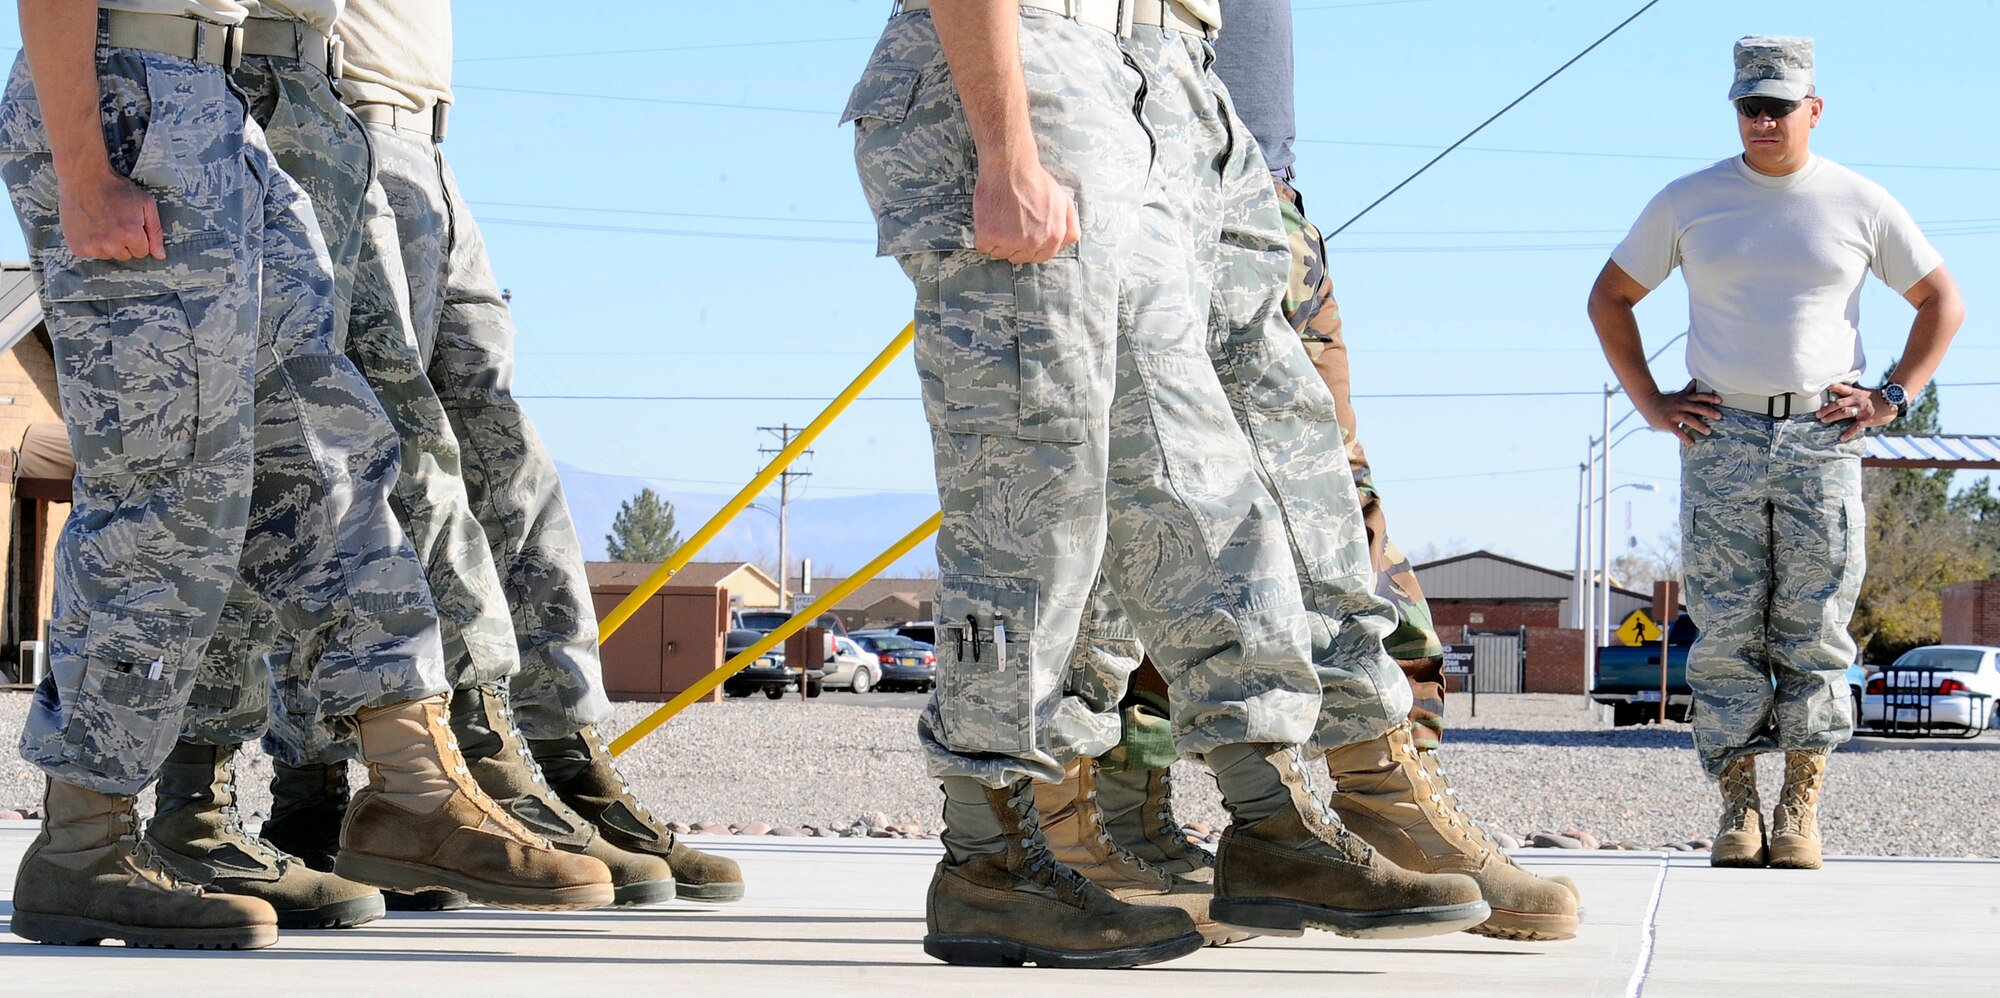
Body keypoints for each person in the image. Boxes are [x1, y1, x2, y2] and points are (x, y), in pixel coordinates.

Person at [846, 0, 1489, 969]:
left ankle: (1268, 813)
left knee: (1191, 472)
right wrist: (1004, 146)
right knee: (1031, 486)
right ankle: (986, 855)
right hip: (1017, 50)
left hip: (1125, 70)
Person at [2, 0, 614, 950]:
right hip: (131, 91)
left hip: (228, 105)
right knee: (168, 491)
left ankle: (413, 789)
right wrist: (84, 169)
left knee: (333, 452)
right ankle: (83, 841)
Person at [1052, 0, 1580, 944]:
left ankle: (1383, 791)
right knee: (1141, 500)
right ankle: (1118, 820)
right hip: (1114, 167)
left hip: (1256, 189)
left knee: (1330, 501)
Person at [244, 0, 744, 908]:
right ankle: (329, 791)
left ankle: (549, 757)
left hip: (422, 134)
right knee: (347, 465)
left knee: (506, 473)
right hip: (328, 103)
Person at [1587, 35, 1963, 870]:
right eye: (1749, 107)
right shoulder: (1690, 201)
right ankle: (1737, 807)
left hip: (1821, 438)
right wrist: (1650, 402)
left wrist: (1891, 395)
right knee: (1724, 627)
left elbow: (1942, 300)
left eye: (1778, 107)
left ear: (1813, 110)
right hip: (1722, 435)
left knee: (1817, 623)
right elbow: (1611, 295)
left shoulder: (1859, 202)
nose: (1762, 120)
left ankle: (1799, 805)